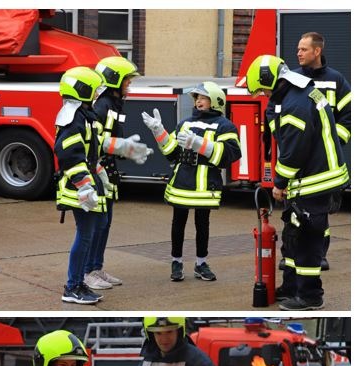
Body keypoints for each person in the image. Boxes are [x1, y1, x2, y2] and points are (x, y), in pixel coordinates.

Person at [245, 54, 349, 310]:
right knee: (293, 235)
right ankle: (292, 288)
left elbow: (293, 152)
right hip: (316, 178)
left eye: (261, 89)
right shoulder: (300, 93)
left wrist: (279, 183)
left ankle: (310, 296)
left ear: (269, 80)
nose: (262, 95)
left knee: (306, 240)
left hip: (314, 181)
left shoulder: (294, 104)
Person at [55, 67, 151, 305]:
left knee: (94, 229)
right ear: (82, 90)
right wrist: (85, 186)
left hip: (88, 184)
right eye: (94, 90)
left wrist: (124, 147)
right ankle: (73, 286)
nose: (98, 94)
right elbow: (70, 155)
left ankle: (80, 282)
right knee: (85, 236)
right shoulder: (72, 118)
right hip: (78, 188)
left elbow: (97, 143)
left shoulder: (83, 115)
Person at [142, 82, 241, 283]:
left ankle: (201, 263)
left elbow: (232, 153)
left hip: (205, 185)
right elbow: (171, 152)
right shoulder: (185, 123)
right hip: (183, 181)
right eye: (196, 98)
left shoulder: (225, 125)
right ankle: (176, 262)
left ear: (215, 101)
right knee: (178, 223)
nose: (198, 101)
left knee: (202, 224)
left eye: (202, 98)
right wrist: (159, 132)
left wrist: (200, 145)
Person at [295, 31, 351, 271]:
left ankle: (319, 254)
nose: (298, 53)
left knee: (319, 211)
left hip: (323, 162)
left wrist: (330, 143)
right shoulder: (292, 79)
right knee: (293, 209)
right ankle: (293, 254)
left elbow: (348, 118)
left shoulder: (336, 81)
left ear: (317, 51)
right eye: (298, 49)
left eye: (304, 49)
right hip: (297, 157)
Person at [87, 56, 142, 291]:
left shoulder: (115, 104)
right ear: (115, 80)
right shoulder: (102, 106)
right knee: (96, 224)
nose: (129, 85)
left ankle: (97, 268)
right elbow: (94, 141)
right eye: (127, 81)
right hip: (98, 170)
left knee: (105, 223)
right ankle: (87, 272)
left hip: (108, 170)